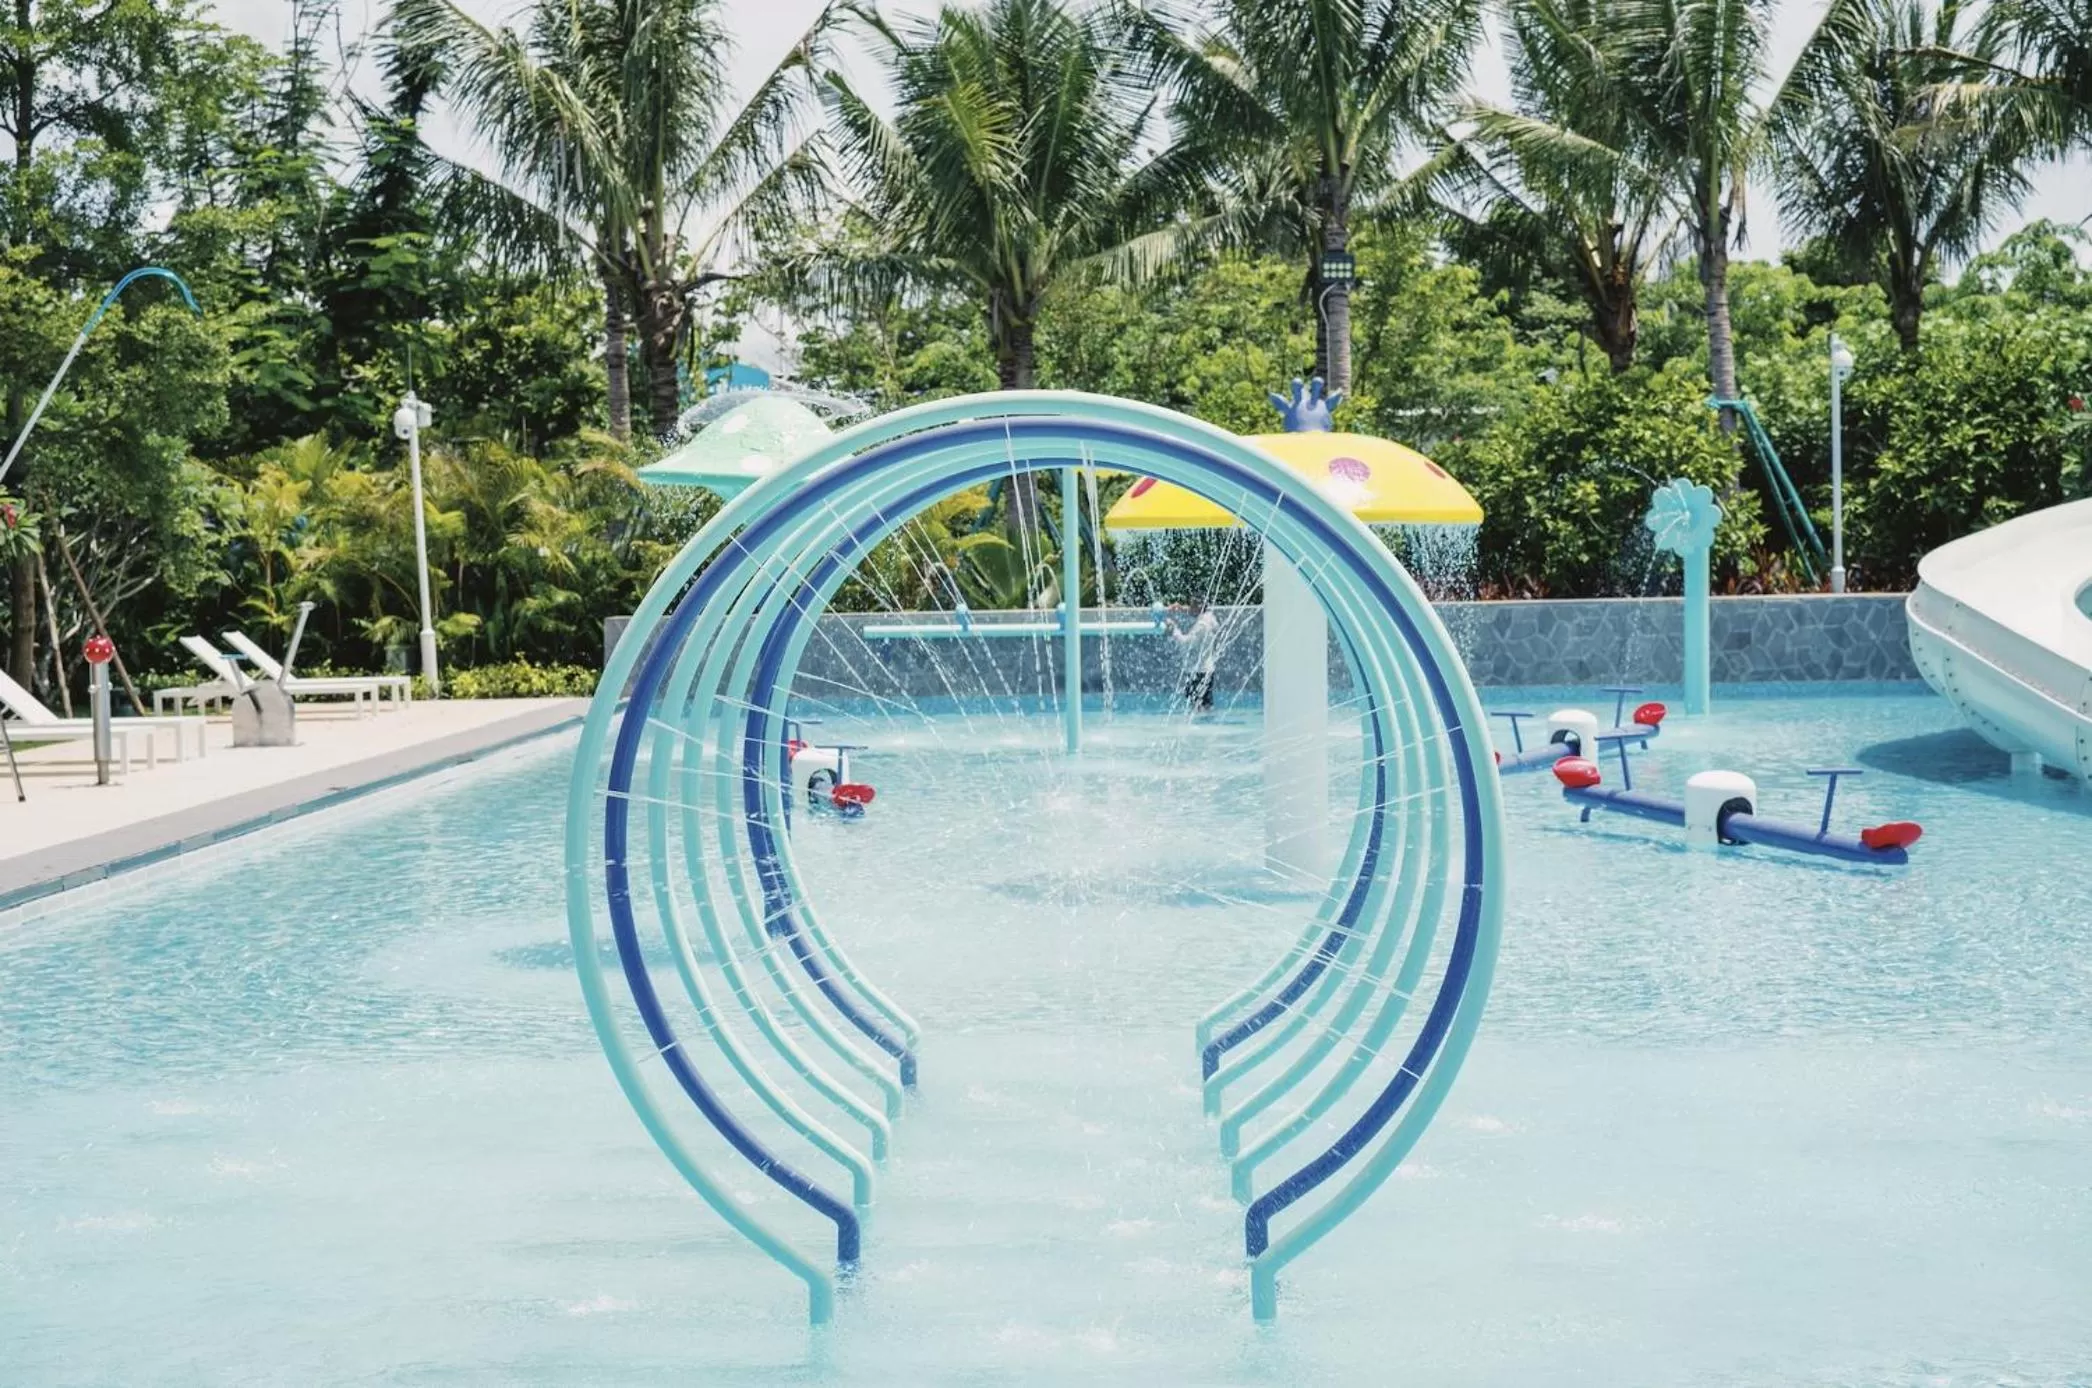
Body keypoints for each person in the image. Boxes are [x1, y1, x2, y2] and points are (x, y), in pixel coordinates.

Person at [1168, 596, 1220, 714]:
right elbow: (1197, 611)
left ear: (1199, 607)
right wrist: (1181, 608)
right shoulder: (1210, 618)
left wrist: (1174, 630)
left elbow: (1187, 644)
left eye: (1191, 605)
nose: (1189, 608)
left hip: (1197, 672)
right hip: (1207, 670)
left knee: (1196, 707)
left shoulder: (1202, 625)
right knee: (1207, 705)